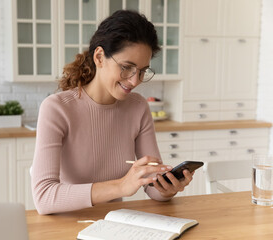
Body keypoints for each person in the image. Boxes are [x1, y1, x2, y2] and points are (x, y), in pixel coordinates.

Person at [31, 10, 193, 215]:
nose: (135, 81)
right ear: (99, 57)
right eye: (127, 67)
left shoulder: (138, 107)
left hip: (117, 225)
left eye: (143, 71)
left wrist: (167, 189)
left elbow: (152, 187)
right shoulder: (57, 108)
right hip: (66, 225)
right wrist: (121, 186)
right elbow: (44, 197)